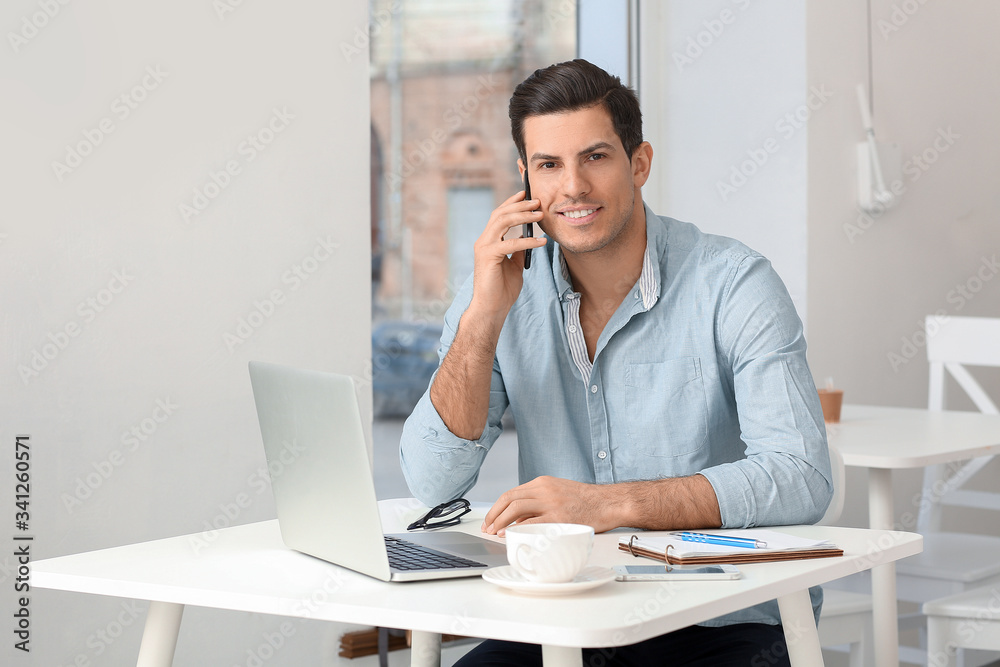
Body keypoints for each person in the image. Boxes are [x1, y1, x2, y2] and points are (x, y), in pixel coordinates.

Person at [400, 59, 832, 667]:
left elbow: (801, 475)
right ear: (525, 178)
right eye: (548, 165)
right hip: (565, 612)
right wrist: (481, 317)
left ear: (639, 163)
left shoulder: (735, 284)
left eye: (595, 157)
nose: (572, 187)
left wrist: (607, 504)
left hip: (720, 616)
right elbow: (432, 483)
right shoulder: (498, 292)